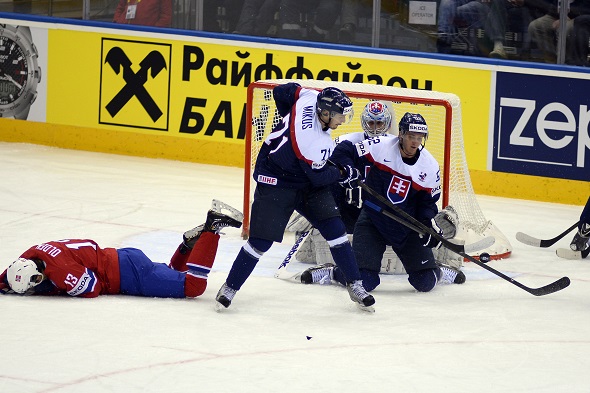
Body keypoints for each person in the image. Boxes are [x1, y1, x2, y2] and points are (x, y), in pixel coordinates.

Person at [215, 83, 376, 311]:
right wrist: (343, 173)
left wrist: (288, 122)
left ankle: (355, 284)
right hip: (278, 181)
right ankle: (230, 287)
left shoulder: (310, 97)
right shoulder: (313, 142)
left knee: (335, 229)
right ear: (326, 113)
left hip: (304, 176)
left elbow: (283, 91)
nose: (343, 121)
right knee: (260, 242)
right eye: (340, 116)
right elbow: (320, 177)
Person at [300, 112, 466, 293]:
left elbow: (427, 203)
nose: (415, 142)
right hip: (373, 220)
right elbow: (345, 150)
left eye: (420, 138)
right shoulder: (381, 146)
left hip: (406, 227)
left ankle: (439, 271)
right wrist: (348, 171)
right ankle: (332, 272)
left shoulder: (429, 166)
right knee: (364, 281)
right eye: (411, 136)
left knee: (424, 282)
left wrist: (427, 225)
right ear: (401, 134)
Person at [0, 208, 242, 297]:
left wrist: (51, 288)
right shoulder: (32, 254)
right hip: (124, 257)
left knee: (194, 287)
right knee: (170, 274)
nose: (35, 287)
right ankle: (188, 246)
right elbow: (9, 275)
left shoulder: (60, 270)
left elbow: (92, 288)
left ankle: (211, 229)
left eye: (35, 283)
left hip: (128, 275)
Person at [437, 0, 509, 58]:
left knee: (454, 10)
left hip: (485, 6)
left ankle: (498, 44)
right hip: (465, 4)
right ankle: (444, 37)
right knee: (447, 2)